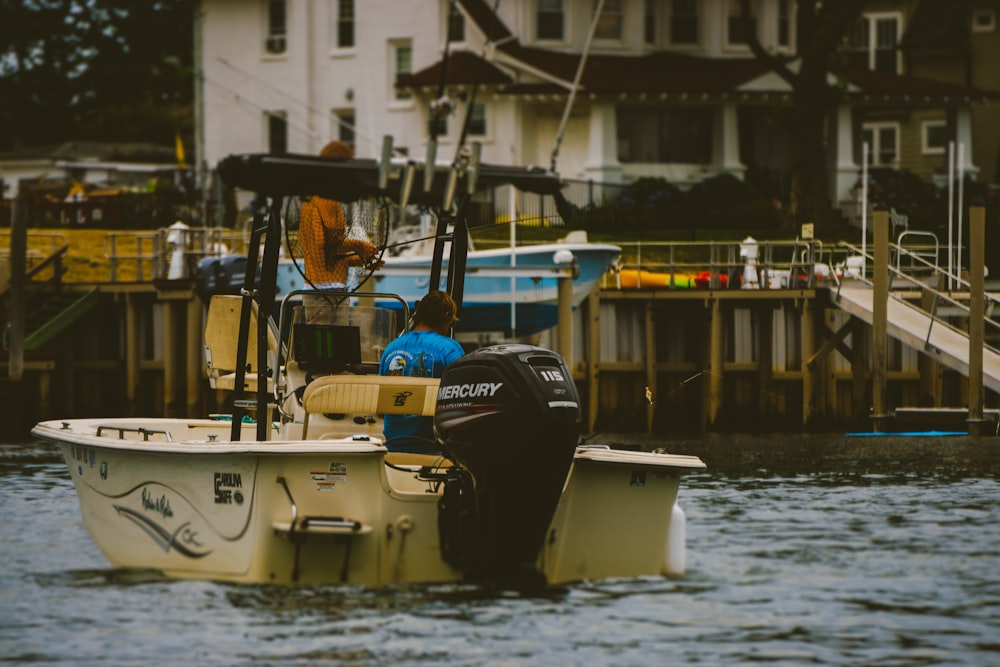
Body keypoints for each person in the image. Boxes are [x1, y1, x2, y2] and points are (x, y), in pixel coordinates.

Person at [379, 290, 465, 453]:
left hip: (393, 448)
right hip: (433, 450)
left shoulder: (392, 347)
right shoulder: (449, 349)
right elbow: (464, 396)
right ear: (446, 316)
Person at [298, 141, 381, 291]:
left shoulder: (331, 202)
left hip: (336, 290)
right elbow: (321, 251)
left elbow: (333, 258)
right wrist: (359, 245)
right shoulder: (315, 202)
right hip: (320, 291)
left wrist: (362, 259)